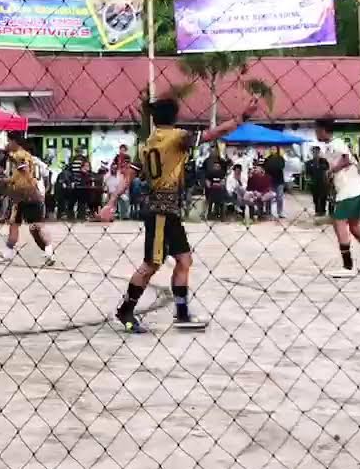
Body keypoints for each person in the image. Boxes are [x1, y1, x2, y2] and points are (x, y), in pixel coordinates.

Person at [99, 98, 251, 333]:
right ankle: (126, 309)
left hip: (165, 209)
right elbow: (216, 133)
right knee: (152, 264)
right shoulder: (178, 137)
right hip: (161, 209)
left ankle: (181, 314)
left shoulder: (147, 143)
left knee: (184, 259)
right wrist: (242, 117)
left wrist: (111, 200)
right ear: (175, 116)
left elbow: (129, 176)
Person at [315, 119, 360, 278]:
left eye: (317, 130)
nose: (316, 133)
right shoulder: (329, 147)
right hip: (350, 189)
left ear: (324, 130)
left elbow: (346, 159)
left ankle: (348, 266)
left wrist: (332, 170)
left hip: (350, 190)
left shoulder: (336, 143)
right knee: (355, 229)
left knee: (339, 222)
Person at [0, 133, 55, 265]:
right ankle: (48, 251)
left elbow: (25, 171)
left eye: (9, 141)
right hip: (28, 193)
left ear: (15, 142)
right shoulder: (31, 158)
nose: (7, 144)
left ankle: (10, 252)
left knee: (22, 224)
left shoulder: (19, 155)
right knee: (26, 225)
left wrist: (33, 188)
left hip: (26, 194)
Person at [305, 146, 330, 217]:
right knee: (315, 197)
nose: (316, 153)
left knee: (323, 197)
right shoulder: (309, 163)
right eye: (314, 152)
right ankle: (317, 211)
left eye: (317, 152)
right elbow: (308, 173)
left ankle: (323, 211)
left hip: (323, 181)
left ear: (319, 152)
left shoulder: (324, 161)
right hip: (314, 182)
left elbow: (327, 168)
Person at [262, 146, 286, 218]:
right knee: (269, 197)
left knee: (280, 197)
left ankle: (280, 212)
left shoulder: (281, 158)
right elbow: (265, 168)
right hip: (270, 181)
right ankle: (268, 212)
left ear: (277, 150)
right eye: (272, 149)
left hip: (279, 181)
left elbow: (281, 167)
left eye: (274, 149)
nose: (273, 150)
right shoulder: (267, 159)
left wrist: (272, 168)